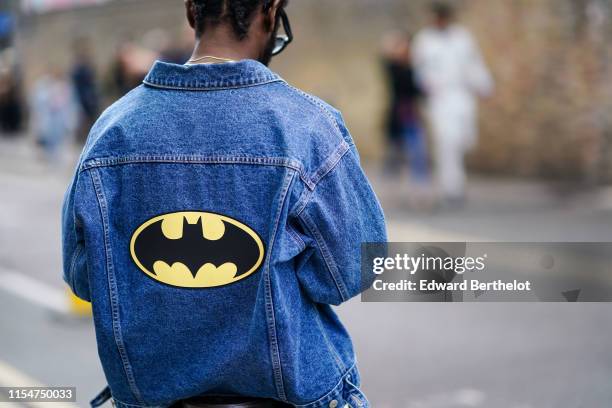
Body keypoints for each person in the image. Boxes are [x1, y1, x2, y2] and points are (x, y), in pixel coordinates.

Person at [62, 1, 386, 408]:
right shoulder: (307, 127)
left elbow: (84, 277)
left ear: (192, 13)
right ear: (270, 12)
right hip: (294, 397)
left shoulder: (112, 131)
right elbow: (352, 271)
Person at [413, 2, 493, 206]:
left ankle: (455, 180)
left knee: (465, 140)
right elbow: (419, 71)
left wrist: (485, 85)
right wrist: (425, 88)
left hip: (462, 95)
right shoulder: (424, 41)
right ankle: (452, 188)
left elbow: (474, 64)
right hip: (440, 99)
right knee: (446, 143)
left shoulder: (462, 38)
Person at [381, 31, 431, 205]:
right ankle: (391, 191)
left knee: (418, 155)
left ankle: (419, 192)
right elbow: (384, 60)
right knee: (394, 156)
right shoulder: (393, 68)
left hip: (412, 116)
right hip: (396, 117)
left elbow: (421, 91)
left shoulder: (415, 69)